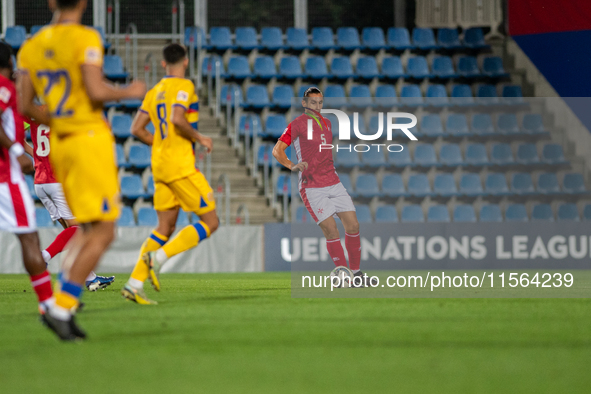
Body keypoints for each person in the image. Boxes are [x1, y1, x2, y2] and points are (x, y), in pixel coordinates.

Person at [17, 0, 146, 340]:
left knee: (86, 228)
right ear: (85, 3)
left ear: (51, 3)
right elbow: (96, 90)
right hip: (88, 139)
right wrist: (130, 91)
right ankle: (61, 307)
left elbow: (24, 105)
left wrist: (58, 122)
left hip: (60, 146)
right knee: (103, 230)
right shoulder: (85, 37)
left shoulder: (32, 46)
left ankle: (64, 305)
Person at [121, 43, 218, 305]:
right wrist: (200, 137)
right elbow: (176, 117)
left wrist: (160, 144)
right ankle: (158, 259)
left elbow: (136, 129)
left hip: (160, 166)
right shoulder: (184, 86)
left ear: (163, 64)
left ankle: (134, 283)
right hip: (180, 166)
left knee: (165, 227)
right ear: (185, 62)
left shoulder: (154, 92)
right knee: (211, 222)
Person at [272, 87, 377, 287]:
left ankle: (356, 274)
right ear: (304, 103)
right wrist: (292, 165)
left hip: (333, 181)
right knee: (331, 230)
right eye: (313, 102)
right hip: (312, 186)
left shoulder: (327, 123)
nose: (317, 106)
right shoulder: (298, 124)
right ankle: (343, 273)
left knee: (353, 226)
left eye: (320, 103)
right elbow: (277, 150)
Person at [24, 119, 115, 291]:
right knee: (79, 230)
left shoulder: (32, 114)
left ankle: (90, 278)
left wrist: (35, 154)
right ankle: (45, 256)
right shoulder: (59, 113)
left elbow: (17, 137)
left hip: (40, 182)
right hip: (57, 181)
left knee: (70, 232)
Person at [0, 41, 55, 318]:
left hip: (26, 177)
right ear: (9, 62)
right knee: (30, 239)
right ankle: (49, 305)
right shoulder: (4, 88)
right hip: (6, 180)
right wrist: (18, 151)